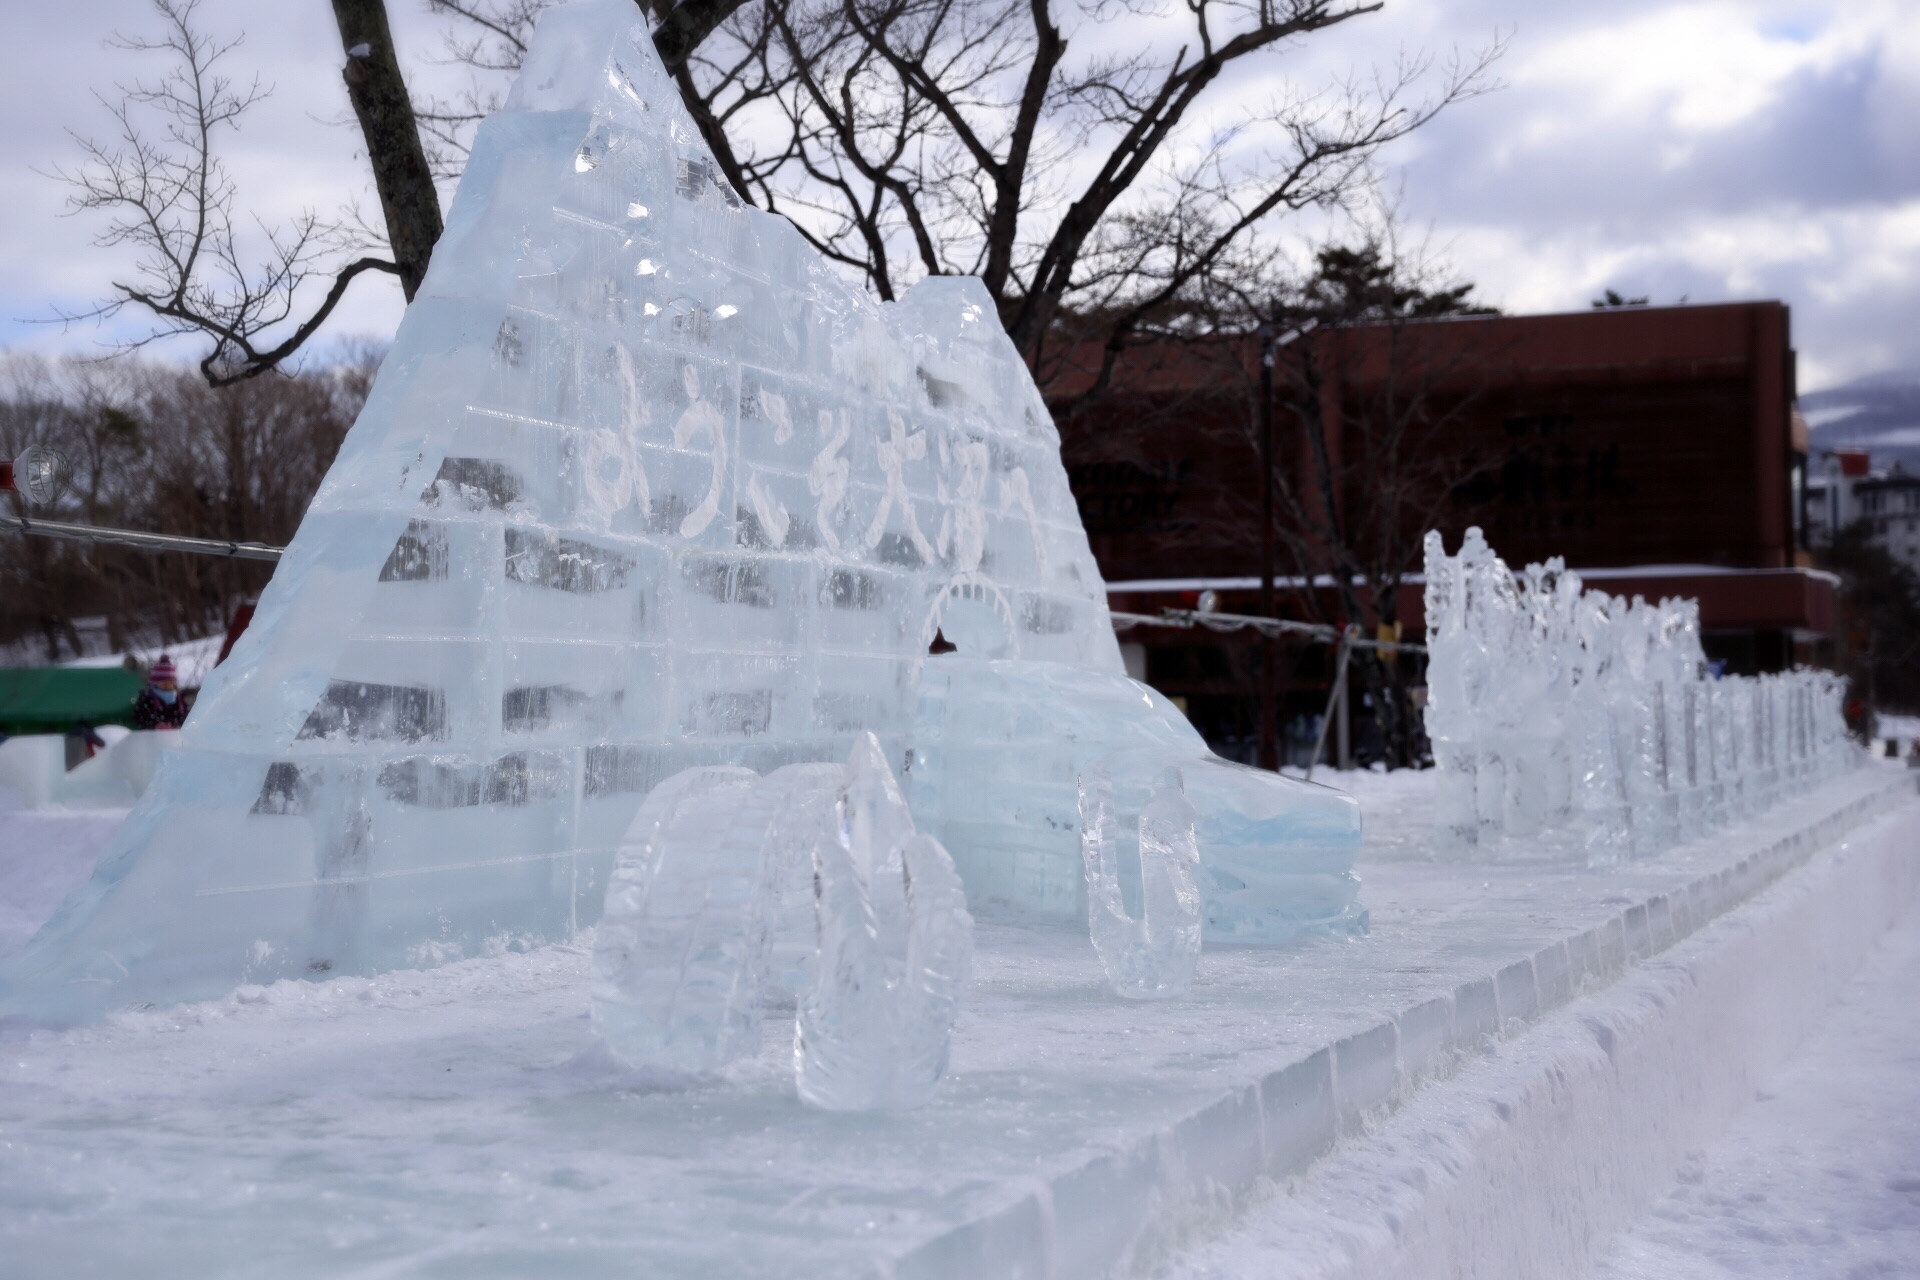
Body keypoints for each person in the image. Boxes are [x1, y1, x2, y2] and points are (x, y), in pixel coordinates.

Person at [132, 655, 188, 731]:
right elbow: (141, 717)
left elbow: (185, 714)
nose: (167, 685)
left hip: (175, 735)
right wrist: (156, 725)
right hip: (153, 737)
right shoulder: (147, 698)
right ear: (155, 683)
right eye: (163, 682)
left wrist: (180, 723)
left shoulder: (178, 698)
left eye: (170, 682)